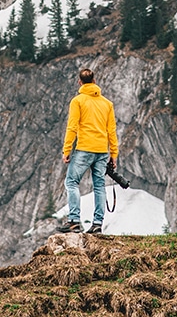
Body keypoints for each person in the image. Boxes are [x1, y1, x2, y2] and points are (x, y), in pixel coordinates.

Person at [58, 67, 118, 233]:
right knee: (99, 186)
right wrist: (113, 154)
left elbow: (72, 127)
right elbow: (111, 130)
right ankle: (97, 224)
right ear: (94, 81)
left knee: (72, 182)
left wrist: (67, 150)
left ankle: (74, 220)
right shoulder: (107, 104)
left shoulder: (78, 101)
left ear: (80, 82)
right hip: (101, 150)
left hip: (84, 148)